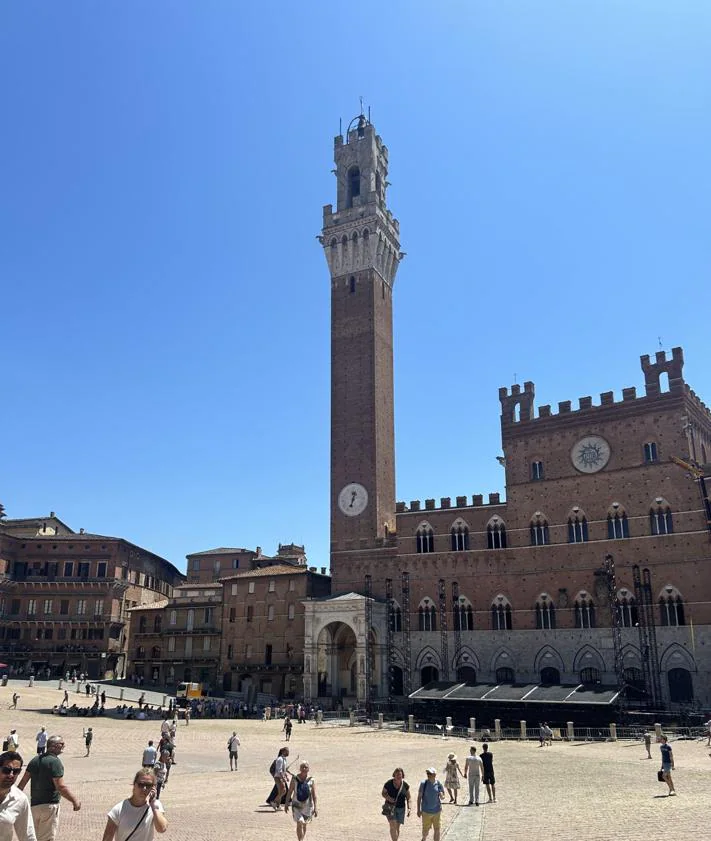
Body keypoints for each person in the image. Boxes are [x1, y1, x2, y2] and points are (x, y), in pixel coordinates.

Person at [17, 735, 81, 841]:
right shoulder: (55, 762)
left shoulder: (35, 760)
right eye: (61, 744)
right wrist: (75, 801)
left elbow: (22, 783)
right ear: (53, 746)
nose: (63, 746)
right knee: (46, 838)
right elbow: (60, 786)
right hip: (49, 806)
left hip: (34, 806)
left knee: (33, 837)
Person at [101, 769, 167, 841]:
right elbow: (107, 838)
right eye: (141, 785)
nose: (144, 789)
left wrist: (154, 806)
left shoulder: (155, 806)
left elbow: (162, 829)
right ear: (134, 785)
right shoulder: (118, 809)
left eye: (148, 785)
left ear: (153, 788)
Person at [0, 749, 36, 841]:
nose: (11, 775)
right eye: (6, 770)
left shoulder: (20, 799)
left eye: (16, 771)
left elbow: (28, 836)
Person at [284, 761, 317, 841]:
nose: (304, 768)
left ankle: (301, 839)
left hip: (307, 806)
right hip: (296, 805)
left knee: (304, 824)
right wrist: (286, 803)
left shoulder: (311, 780)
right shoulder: (295, 779)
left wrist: (315, 808)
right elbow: (290, 791)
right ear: (300, 769)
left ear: (308, 769)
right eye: (302, 767)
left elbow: (314, 795)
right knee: (299, 822)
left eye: (306, 767)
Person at [381, 767, 410, 841]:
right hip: (390, 808)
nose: (399, 776)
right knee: (392, 825)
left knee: (397, 827)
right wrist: (389, 798)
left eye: (400, 774)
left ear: (402, 775)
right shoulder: (388, 784)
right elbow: (383, 793)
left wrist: (409, 808)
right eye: (397, 774)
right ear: (394, 775)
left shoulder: (405, 785)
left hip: (401, 808)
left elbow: (409, 798)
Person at [417, 767, 445, 841]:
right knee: (426, 831)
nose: (428, 775)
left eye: (430, 773)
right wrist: (418, 810)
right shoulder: (424, 784)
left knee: (437, 829)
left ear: (435, 774)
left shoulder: (438, 783)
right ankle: (424, 838)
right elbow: (419, 797)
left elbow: (443, 797)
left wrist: (441, 795)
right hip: (426, 811)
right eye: (427, 773)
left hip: (437, 811)